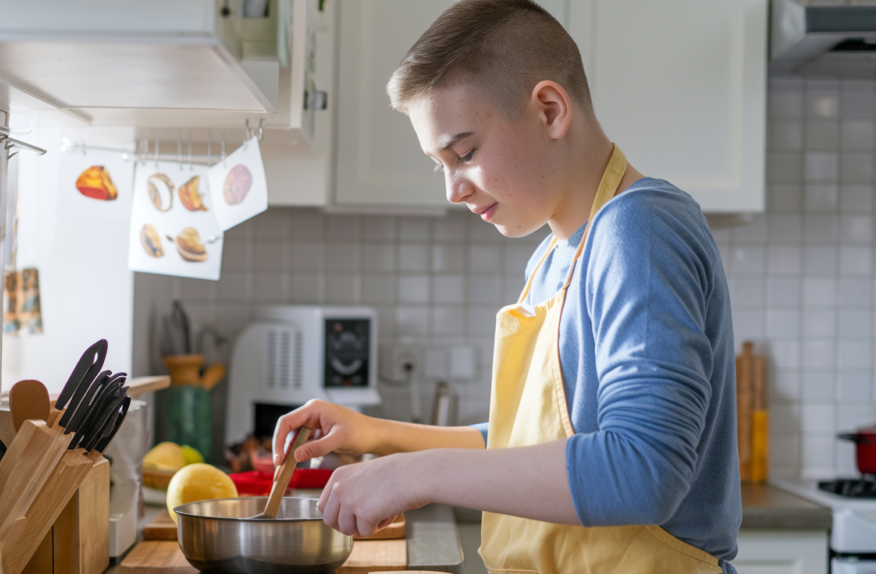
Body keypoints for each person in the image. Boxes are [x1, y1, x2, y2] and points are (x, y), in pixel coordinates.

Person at [272, 1, 741, 572]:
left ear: (549, 110)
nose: (452, 190)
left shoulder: (638, 231)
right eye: (438, 164)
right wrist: (379, 436)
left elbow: (643, 469)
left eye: (464, 153)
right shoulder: (553, 258)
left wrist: (413, 474)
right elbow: (532, 451)